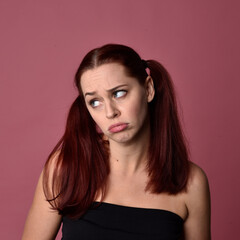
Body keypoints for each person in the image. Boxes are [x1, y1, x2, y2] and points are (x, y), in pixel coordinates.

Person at [22, 44, 211, 240]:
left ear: (148, 89)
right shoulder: (65, 167)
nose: (110, 112)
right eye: (95, 102)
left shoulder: (191, 183)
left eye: (119, 93)